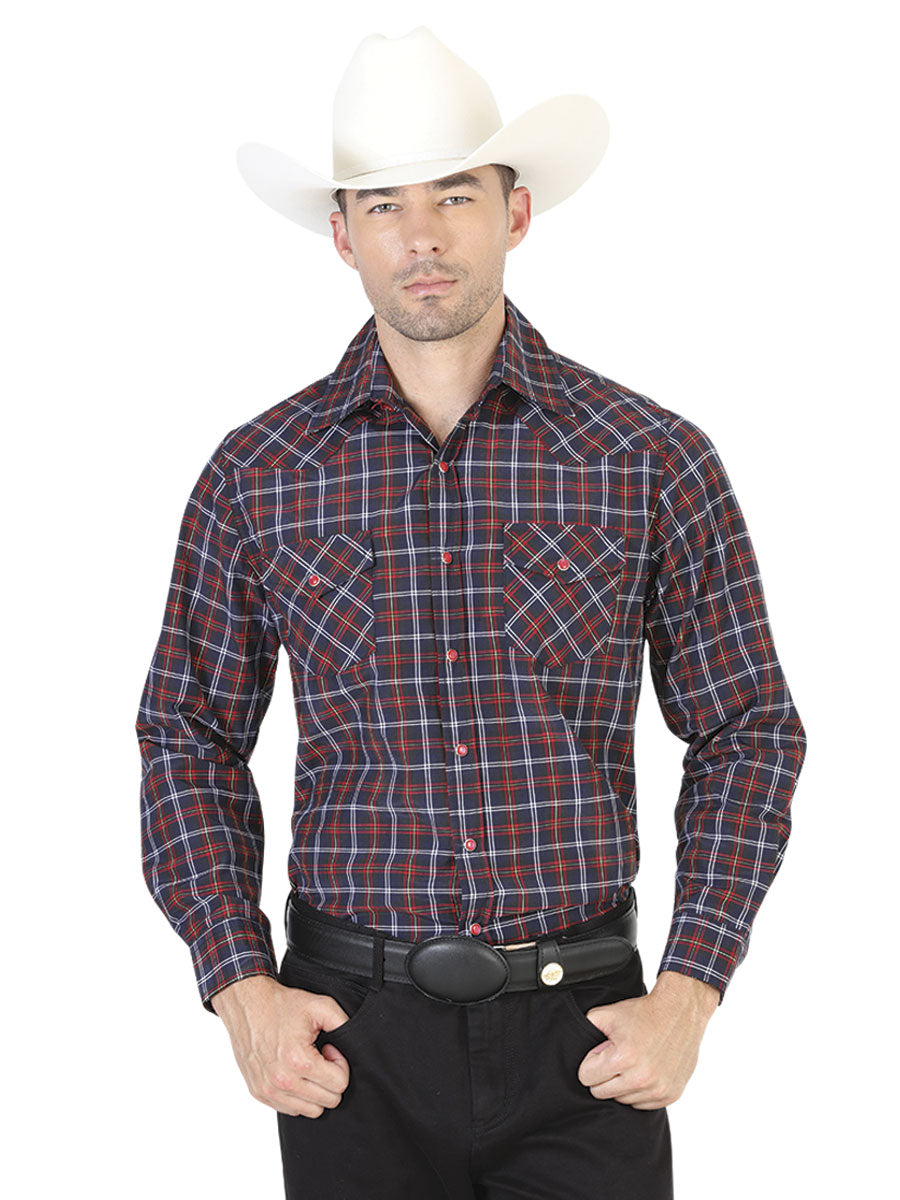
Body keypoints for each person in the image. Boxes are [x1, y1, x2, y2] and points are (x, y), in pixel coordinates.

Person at [136, 25, 807, 1200]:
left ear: (516, 213)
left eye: (455, 195)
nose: (424, 236)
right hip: (350, 1044)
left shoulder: (647, 458)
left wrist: (691, 989)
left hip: (585, 1036)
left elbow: (748, 726)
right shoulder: (260, 473)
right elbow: (186, 733)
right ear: (343, 235)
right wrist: (239, 984)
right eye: (384, 206)